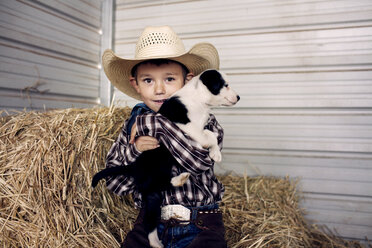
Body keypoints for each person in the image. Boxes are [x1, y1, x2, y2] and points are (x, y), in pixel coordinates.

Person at [102, 26, 227, 248]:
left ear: (187, 81)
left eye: (169, 79)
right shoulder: (133, 126)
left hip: (199, 222)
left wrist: (156, 124)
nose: (159, 89)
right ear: (136, 84)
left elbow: (198, 163)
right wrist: (135, 150)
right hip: (149, 222)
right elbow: (116, 184)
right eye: (148, 80)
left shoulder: (205, 120)